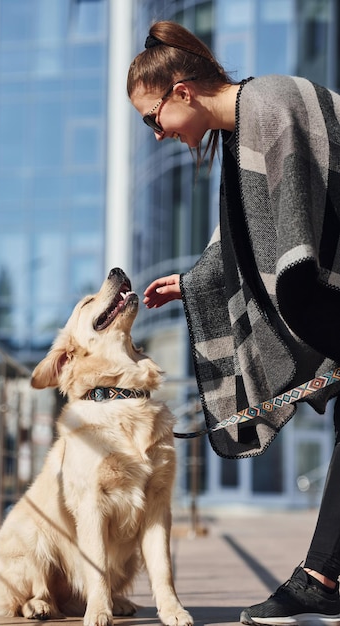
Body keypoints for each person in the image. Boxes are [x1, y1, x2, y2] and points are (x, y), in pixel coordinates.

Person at [127, 20, 340, 626]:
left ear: (181, 92)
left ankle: (319, 579)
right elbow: (252, 234)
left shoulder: (270, 105)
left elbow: (295, 245)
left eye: (153, 118)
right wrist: (195, 281)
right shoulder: (249, 121)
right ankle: (321, 577)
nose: (158, 134)